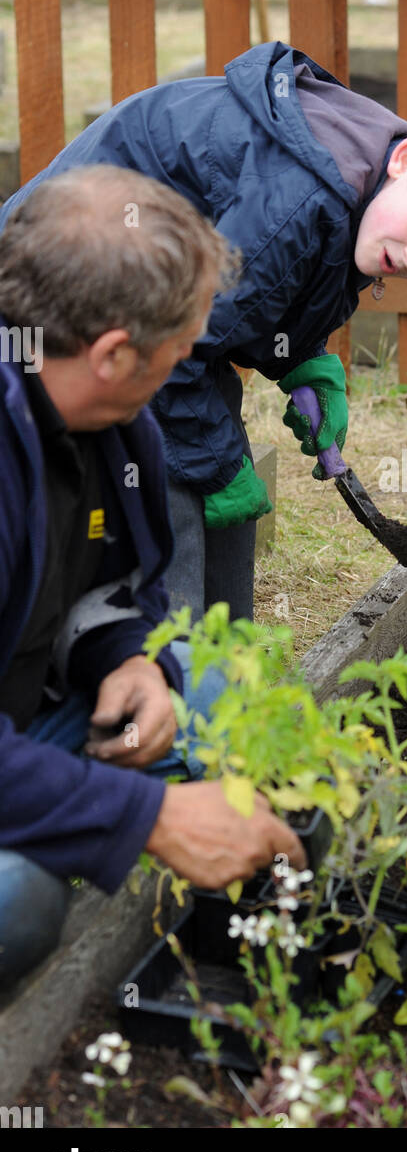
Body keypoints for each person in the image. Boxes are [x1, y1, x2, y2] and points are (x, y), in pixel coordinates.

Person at [0, 43, 407, 622]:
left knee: (225, 482)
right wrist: (217, 467)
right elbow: (185, 355)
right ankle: (172, 663)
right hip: (55, 299)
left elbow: (271, 286)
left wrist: (302, 360)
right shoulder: (301, 196)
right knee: (174, 482)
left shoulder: (369, 187)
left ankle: (226, 664)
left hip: (158, 304)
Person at [0, 167, 306, 987]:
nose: (185, 367)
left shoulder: (103, 420)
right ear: (112, 354)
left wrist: (125, 660)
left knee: (211, 689)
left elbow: (104, 588)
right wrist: (153, 818)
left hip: (23, 720)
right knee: (15, 901)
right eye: (177, 353)